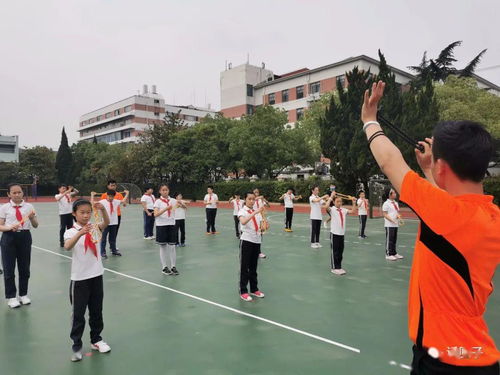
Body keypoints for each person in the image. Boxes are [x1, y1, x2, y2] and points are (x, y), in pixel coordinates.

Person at [362, 81, 500, 374]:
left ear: (442, 168)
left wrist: (369, 119)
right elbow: (448, 202)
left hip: (442, 361)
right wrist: (429, 168)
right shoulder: (492, 217)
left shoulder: (445, 213)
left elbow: (390, 162)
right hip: (479, 354)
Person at [64, 199, 111, 362]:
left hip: (96, 275)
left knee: (96, 311)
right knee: (78, 314)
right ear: (74, 214)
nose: (86, 215)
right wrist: (80, 233)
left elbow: (106, 222)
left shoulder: (95, 228)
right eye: (82, 212)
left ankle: (96, 339)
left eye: (88, 212)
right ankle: (76, 345)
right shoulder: (70, 231)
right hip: (80, 279)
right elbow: (67, 246)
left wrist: (103, 209)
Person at [0, 183, 38, 308]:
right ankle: (11, 297)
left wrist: (32, 218)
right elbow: (0, 226)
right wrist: (9, 227)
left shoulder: (29, 206)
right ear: (9, 194)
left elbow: (36, 225)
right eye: (14, 192)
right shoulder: (4, 207)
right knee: (9, 269)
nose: (17, 194)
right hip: (9, 237)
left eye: (19, 192)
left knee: (24, 268)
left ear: (23, 193)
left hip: (25, 237)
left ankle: (23, 294)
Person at [238, 192, 266, 302]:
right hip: (246, 241)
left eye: (253, 199)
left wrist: (263, 227)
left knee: (254, 267)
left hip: (256, 240)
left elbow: (260, 226)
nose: (252, 201)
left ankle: (254, 289)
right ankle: (243, 291)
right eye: (249, 199)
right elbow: (243, 222)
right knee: (244, 267)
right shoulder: (242, 211)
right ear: (245, 200)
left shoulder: (258, 213)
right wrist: (255, 212)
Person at [323, 193, 357, 275]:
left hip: (342, 234)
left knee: (340, 251)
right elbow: (326, 207)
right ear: (334, 202)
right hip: (334, 233)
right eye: (337, 201)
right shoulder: (332, 209)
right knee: (335, 251)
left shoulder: (343, 210)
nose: (339, 203)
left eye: (340, 202)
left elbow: (353, 211)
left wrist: (354, 202)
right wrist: (331, 197)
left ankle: (339, 267)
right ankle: (334, 268)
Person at [93, 190, 129, 258]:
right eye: (109, 196)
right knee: (103, 238)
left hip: (114, 222)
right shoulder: (102, 202)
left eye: (112, 196)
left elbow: (123, 201)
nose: (110, 198)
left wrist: (127, 194)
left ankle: (114, 250)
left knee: (112, 238)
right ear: (107, 195)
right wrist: (92, 195)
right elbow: (93, 203)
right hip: (105, 223)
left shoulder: (116, 201)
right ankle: (102, 252)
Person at [154, 184, 179, 275]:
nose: (165, 191)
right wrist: (166, 209)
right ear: (160, 191)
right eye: (163, 190)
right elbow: (155, 214)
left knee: (172, 246)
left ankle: (173, 266)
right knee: (163, 246)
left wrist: (179, 205)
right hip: (161, 225)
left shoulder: (173, 200)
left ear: (169, 191)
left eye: (166, 190)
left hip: (171, 224)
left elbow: (174, 210)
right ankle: (164, 267)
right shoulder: (158, 202)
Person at [382, 188, 404, 261]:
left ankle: (394, 253)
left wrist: (399, 217)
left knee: (394, 239)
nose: (395, 194)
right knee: (390, 239)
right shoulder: (386, 204)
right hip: (389, 224)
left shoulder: (396, 203)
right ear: (390, 195)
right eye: (393, 193)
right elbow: (385, 214)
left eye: (395, 192)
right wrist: (392, 220)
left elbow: (396, 212)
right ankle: (388, 254)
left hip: (395, 224)